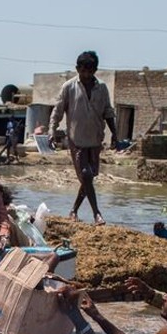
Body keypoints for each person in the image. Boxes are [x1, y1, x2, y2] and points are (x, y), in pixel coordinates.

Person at [48, 51, 119, 224]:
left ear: (95, 70)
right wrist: (52, 130)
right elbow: (57, 111)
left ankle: (73, 210)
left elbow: (108, 112)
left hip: (95, 139)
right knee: (86, 175)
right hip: (76, 139)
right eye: (83, 71)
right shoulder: (69, 87)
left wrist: (115, 134)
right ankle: (97, 213)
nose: (87, 75)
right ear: (77, 69)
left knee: (89, 178)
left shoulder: (101, 88)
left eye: (90, 71)